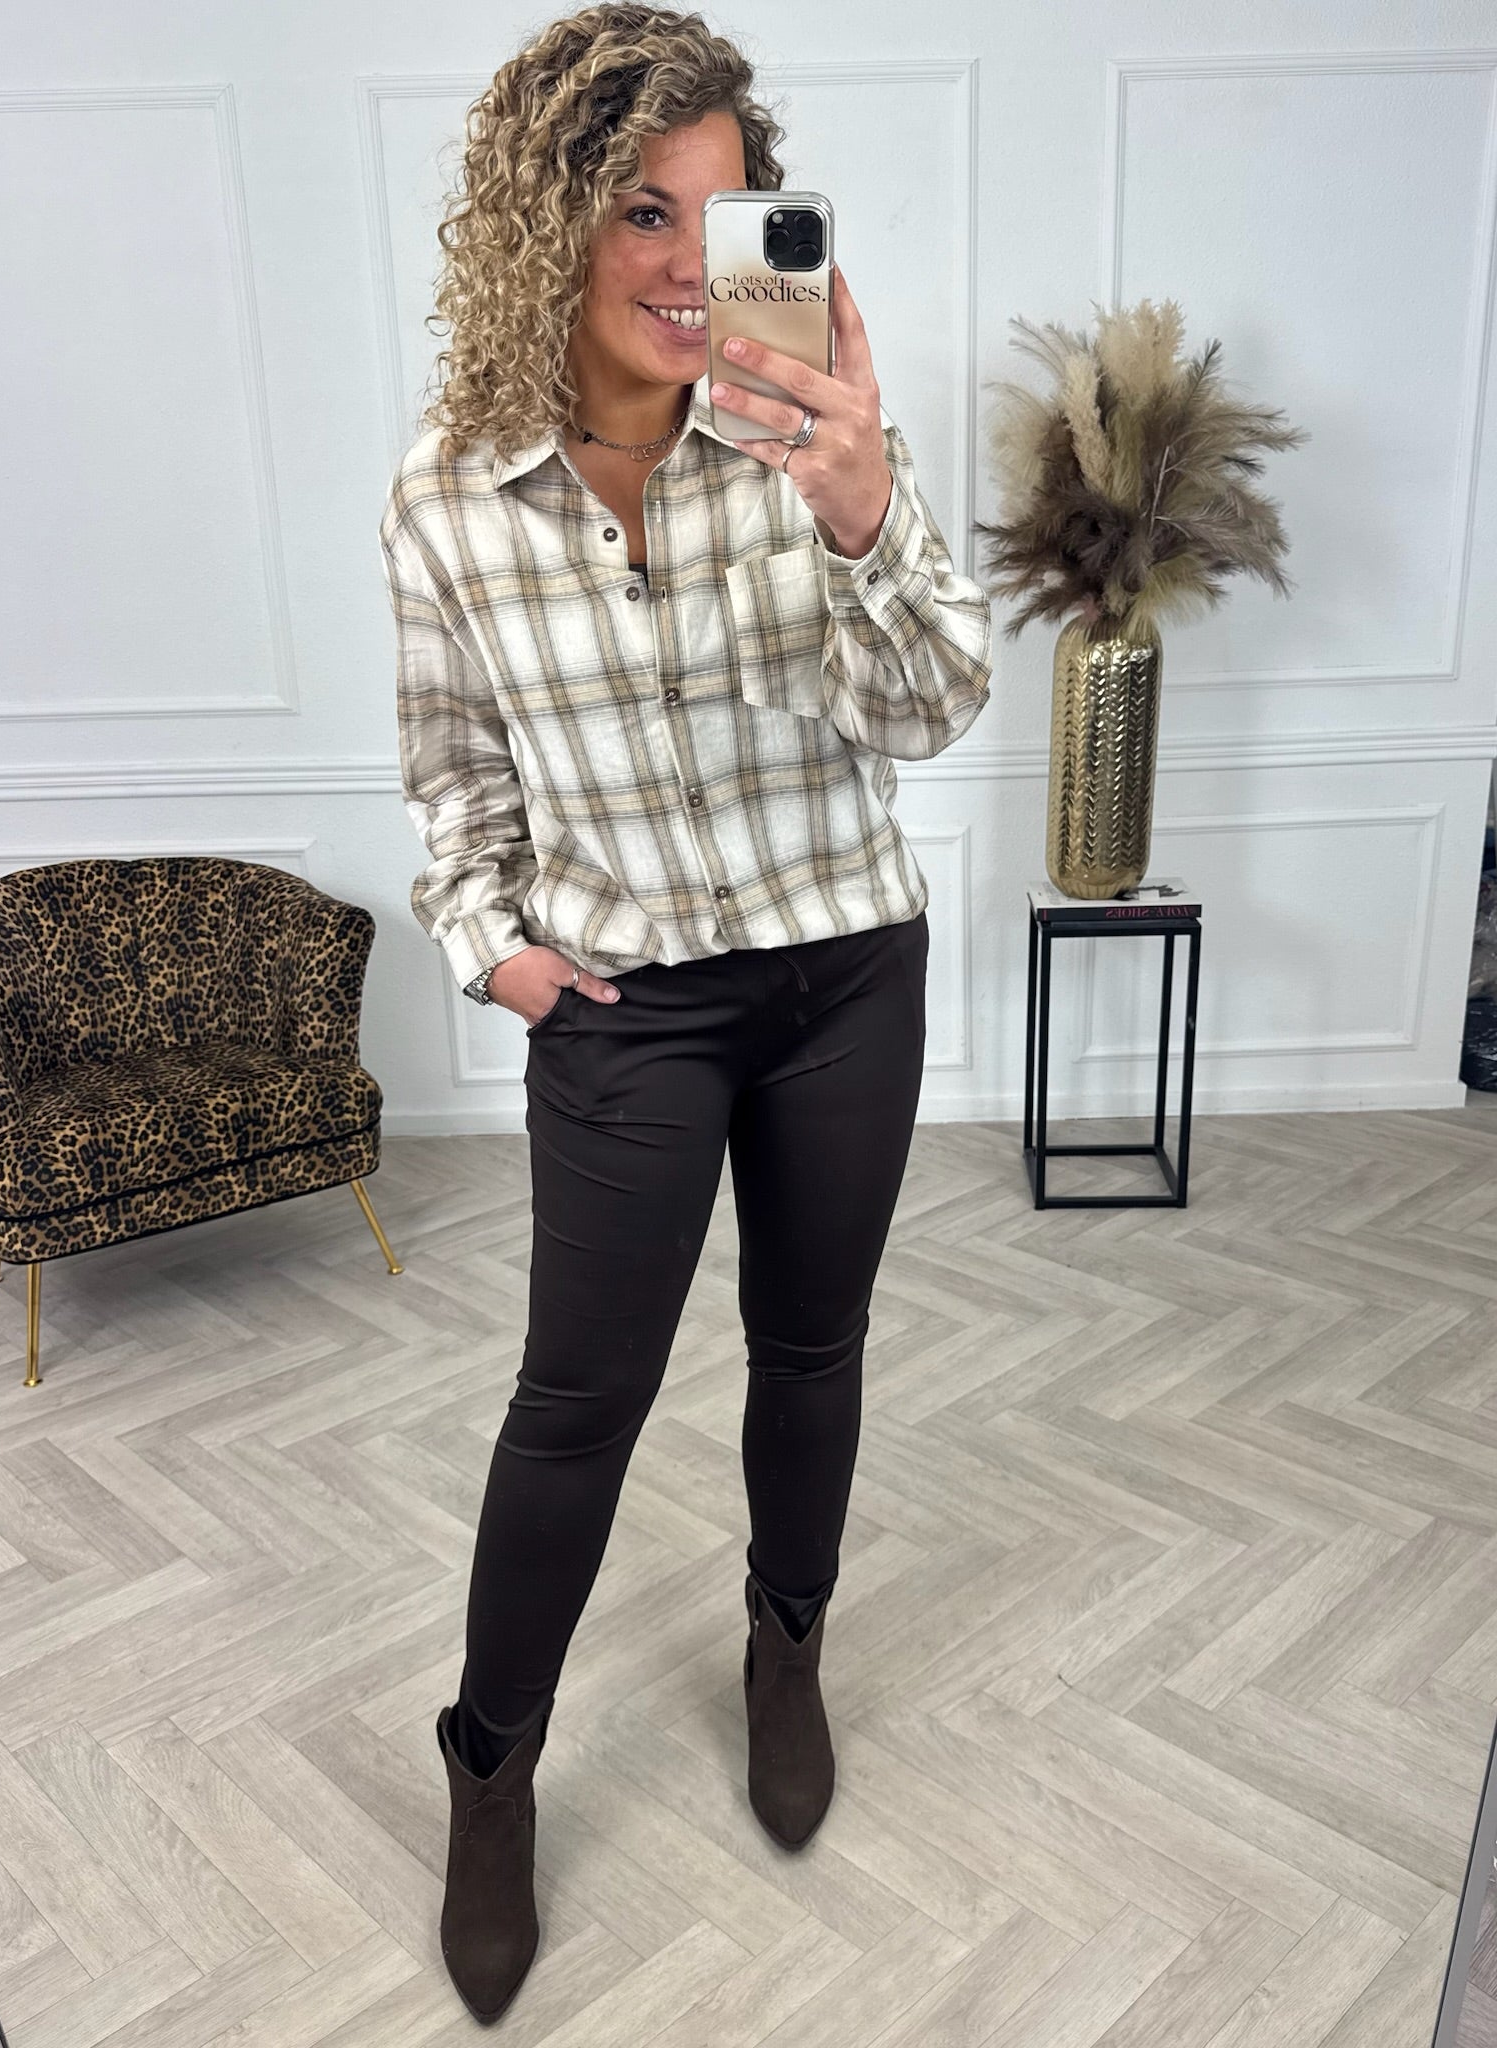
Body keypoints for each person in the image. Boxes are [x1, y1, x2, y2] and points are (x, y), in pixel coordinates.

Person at [378, 4, 993, 2025]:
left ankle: (785, 1642)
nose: (684, 263)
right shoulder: (449, 498)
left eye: (724, 220)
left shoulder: (805, 437)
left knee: (812, 1344)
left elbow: (932, 706)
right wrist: (495, 946)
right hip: (626, 1002)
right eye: (643, 209)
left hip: (841, 969)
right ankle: (490, 1763)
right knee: (577, 1402)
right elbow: (454, 777)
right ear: (546, 221)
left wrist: (864, 502)